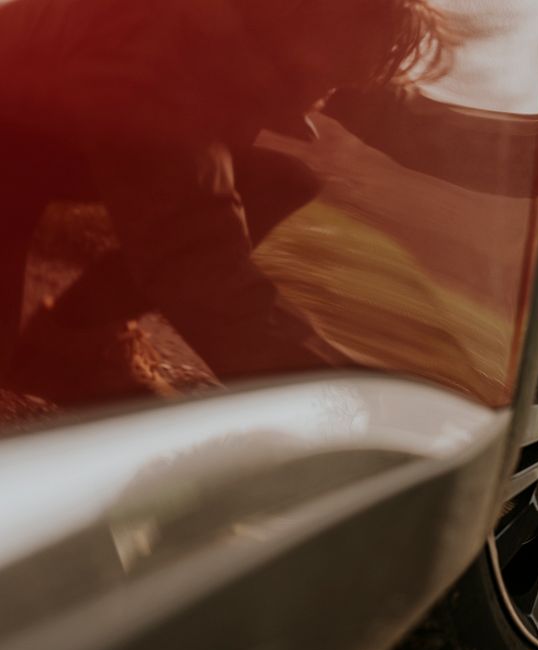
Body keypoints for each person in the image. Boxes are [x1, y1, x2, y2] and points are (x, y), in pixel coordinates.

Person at [0, 0, 447, 404]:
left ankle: (72, 341)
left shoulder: (278, 34)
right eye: (327, 79)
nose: (325, 98)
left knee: (282, 181)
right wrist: (349, 400)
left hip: (57, 134)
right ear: (297, 45)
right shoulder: (158, 54)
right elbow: (197, 264)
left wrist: (508, 154)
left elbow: (398, 117)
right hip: (17, 140)